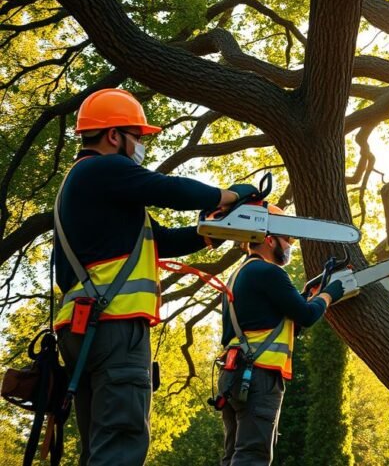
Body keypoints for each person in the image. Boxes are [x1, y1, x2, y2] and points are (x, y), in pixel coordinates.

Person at [54, 88, 255, 466]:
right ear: (115, 135)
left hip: (85, 330)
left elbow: (159, 241)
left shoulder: (92, 187)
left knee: (100, 447)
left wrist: (213, 231)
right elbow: (170, 189)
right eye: (139, 136)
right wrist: (227, 195)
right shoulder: (104, 168)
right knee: (121, 444)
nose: (141, 145)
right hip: (114, 326)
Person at [218, 207, 347, 466]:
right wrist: (330, 293)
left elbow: (276, 320)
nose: (290, 246)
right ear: (268, 239)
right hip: (258, 375)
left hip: (233, 374)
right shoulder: (269, 272)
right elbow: (307, 316)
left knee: (233, 455)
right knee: (253, 455)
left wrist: (308, 292)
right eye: (287, 239)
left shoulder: (240, 274)